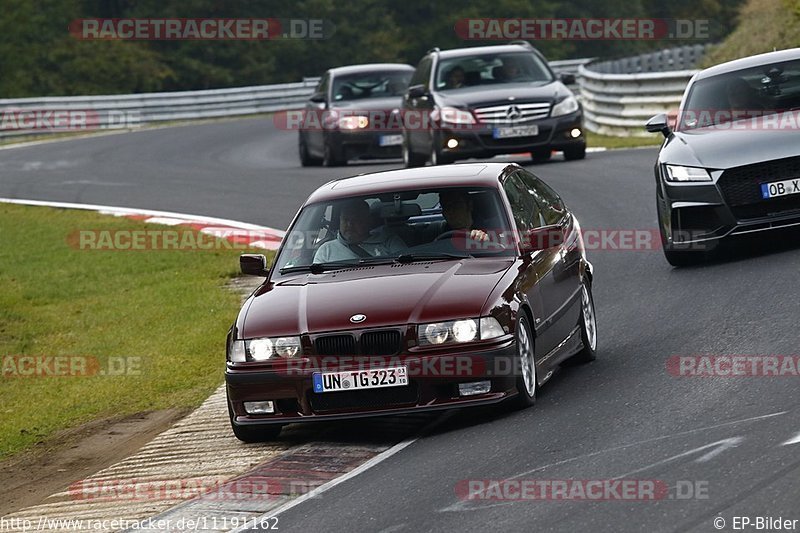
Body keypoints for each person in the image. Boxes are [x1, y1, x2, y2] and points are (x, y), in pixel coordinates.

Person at [313, 200, 406, 263]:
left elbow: (406, 268)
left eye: (356, 220)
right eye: (345, 220)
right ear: (339, 221)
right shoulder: (326, 250)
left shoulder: (389, 242)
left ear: (368, 221)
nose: (349, 225)